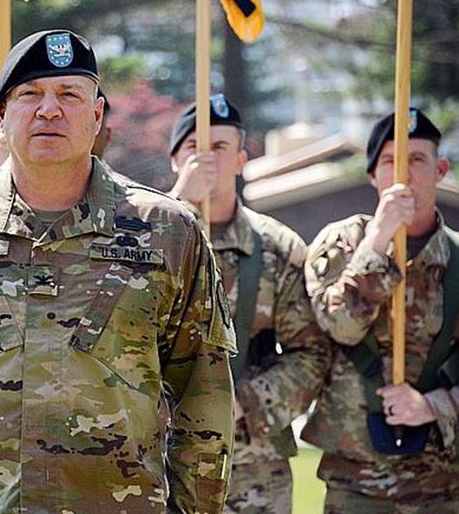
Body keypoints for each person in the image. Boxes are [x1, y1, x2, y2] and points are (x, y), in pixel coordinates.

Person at [0, 30, 235, 513]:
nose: (49, 110)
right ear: (1, 117)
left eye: (69, 95)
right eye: (30, 94)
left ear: (97, 115)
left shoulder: (166, 231)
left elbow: (203, 392)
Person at [168, 95, 330, 513]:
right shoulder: (144, 240)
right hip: (161, 456)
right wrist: (178, 209)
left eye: (219, 148)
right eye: (193, 148)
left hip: (253, 464)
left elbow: (312, 354)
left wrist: (248, 402)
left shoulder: (277, 248)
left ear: (241, 160)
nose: (206, 159)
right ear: (174, 160)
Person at [304, 108, 459, 512]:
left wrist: (434, 405)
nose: (404, 174)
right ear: (373, 174)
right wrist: (377, 244)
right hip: (357, 479)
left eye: (417, 160)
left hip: (443, 480)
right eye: (391, 161)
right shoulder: (341, 243)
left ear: (441, 169)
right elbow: (340, 326)